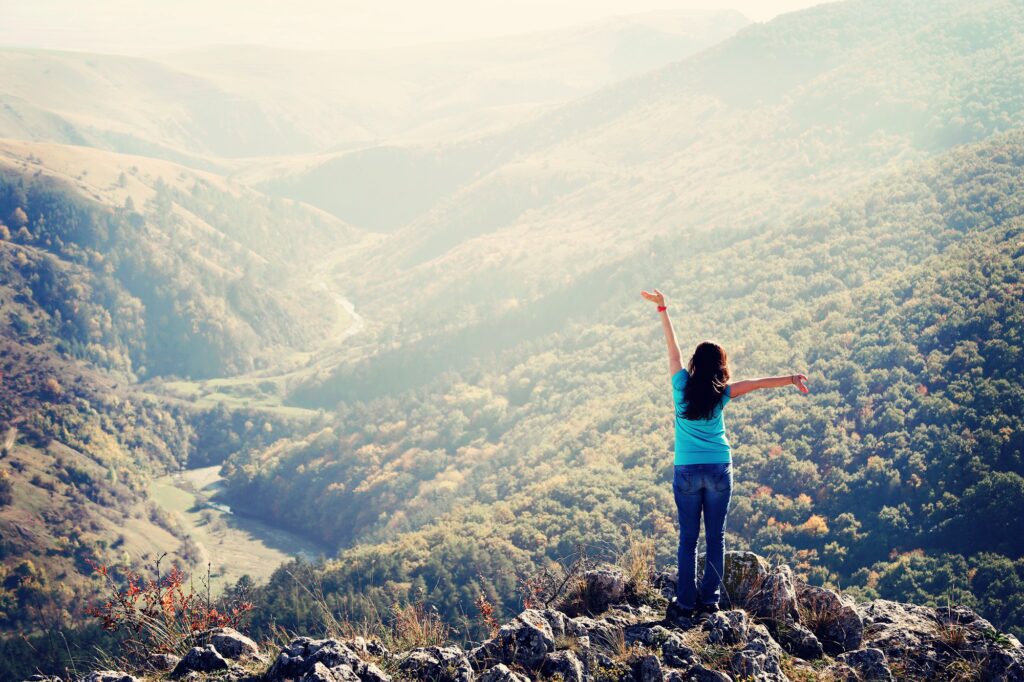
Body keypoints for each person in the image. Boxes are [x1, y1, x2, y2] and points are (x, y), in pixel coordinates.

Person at [641, 288, 809, 621]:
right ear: (719, 367)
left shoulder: (680, 386)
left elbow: (671, 348)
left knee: (688, 540)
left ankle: (685, 604)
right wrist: (791, 379)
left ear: (694, 364)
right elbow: (758, 383)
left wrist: (663, 309)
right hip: (719, 469)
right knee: (715, 538)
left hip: (687, 471)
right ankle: (710, 602)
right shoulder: (723, 393)